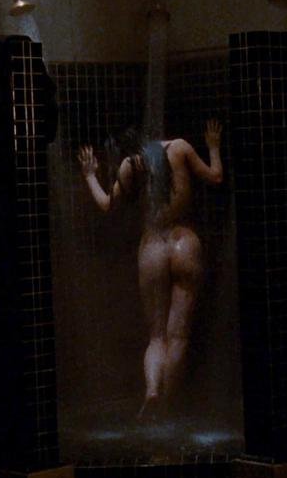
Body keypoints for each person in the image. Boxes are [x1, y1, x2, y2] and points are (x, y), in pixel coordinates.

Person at [78, 119, 223, 419]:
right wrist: (213, 147)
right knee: (178, 335)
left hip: (153, 248)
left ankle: (153, 391)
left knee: (157, 336)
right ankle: (168, 406)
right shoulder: (180, 147)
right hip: (184, 243)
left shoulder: (130, 166)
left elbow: (107, 205)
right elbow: (216, 177)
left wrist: (90, 175)